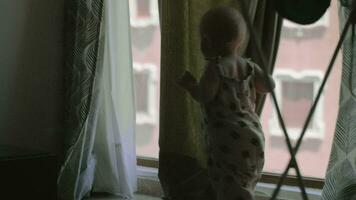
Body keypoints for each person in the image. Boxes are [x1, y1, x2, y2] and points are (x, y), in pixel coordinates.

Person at [178, 5, 275, 200]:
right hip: (253, 136)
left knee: (227, 182)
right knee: (244, 179)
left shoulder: (215, 70)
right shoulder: (248, 66)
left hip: (227, 138)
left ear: (207, 42)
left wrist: (191, 86)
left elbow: (205, 96)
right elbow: (269, 85)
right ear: (239, 41)